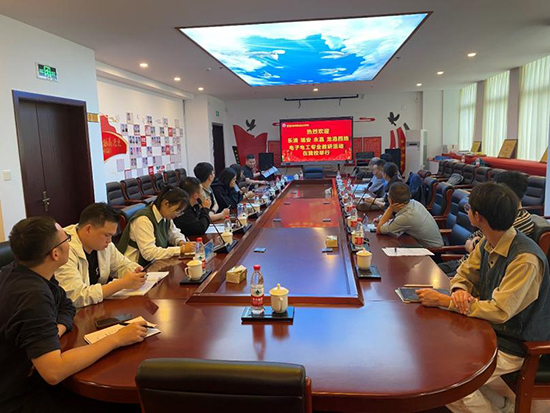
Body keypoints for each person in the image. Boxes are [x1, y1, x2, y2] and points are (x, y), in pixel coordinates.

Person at [416, 182, 550, 413]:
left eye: (468, 208)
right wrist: (458, 291)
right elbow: (465, 272)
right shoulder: (490, 240)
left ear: (477, 216)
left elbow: (500, 310)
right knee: (436, 352)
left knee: (447, 379)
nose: (467, 211)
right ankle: (502, 407)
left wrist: (444, 301)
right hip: (488, 327)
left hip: (518, 342)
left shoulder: (525, 259)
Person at [0, 216, 148, 413]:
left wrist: (56, 330)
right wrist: (117, 338)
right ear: (55, 253)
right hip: (19, 396)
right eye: (67, 239)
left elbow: (67, 306)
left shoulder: (24, 271)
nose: (70, 242)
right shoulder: (32, 296)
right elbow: (54, 371)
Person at [438, 171, 534, 277]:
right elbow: (472, 241)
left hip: (479, 272)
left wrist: (475, 244)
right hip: (465, 263)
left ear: (505, 193)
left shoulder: (516, 221)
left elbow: (481, 248)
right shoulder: (498, 214)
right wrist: (475, 243)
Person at [55, 203, 146, 308]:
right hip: (74, 312)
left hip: (95, 307)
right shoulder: (64, 249)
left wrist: (135, 271)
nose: (110, 241)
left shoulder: (103, 244)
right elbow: (76, 296)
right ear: (88, 229)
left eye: (111, 236)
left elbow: (121, 265)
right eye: (107, 235)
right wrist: (121, 283)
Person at [118, 185, 190, 265]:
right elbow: (149, 253)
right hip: (134, 265)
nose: (177, 215)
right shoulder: (143, 220)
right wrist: (181, 250)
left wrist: (181, 242)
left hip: (154, 262)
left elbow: (174, 233)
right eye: (177, 211)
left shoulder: (165, 216)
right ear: (166, 203)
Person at [375, 182, 444, 248]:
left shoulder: (407, 216)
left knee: (391, 247)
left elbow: (379, 230)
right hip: (422, 244)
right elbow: (398, 221)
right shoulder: (414, 203)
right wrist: (381, 219)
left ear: (391, 200)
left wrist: (390, 208)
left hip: (433, 251)